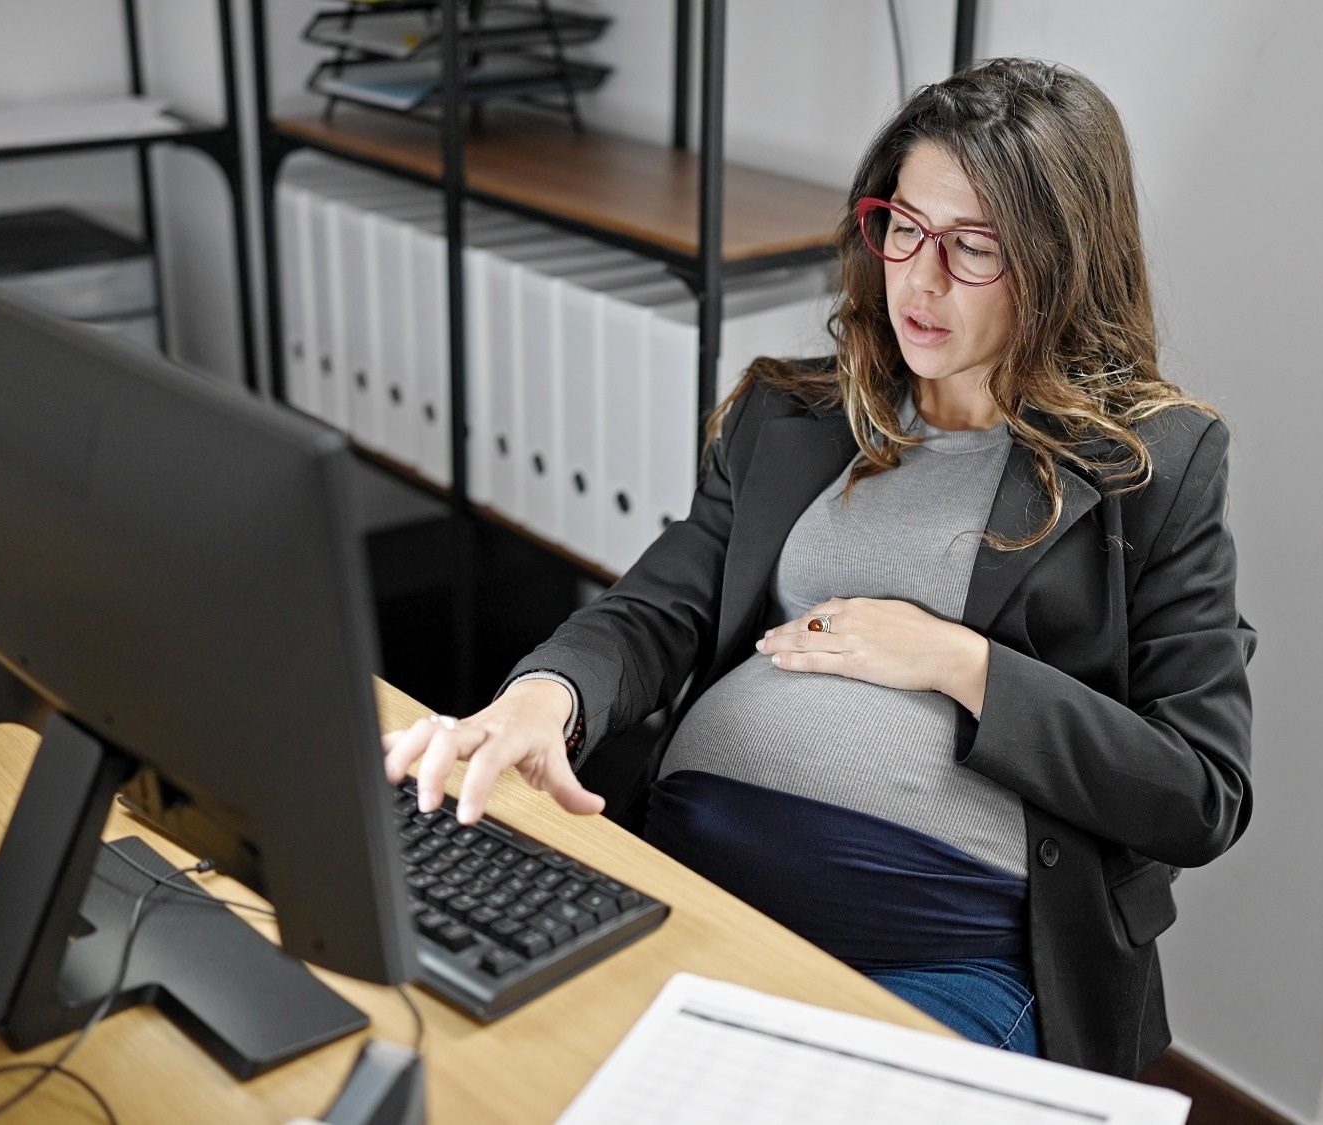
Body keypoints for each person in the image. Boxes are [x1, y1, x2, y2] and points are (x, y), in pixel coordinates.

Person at [381, 58, 1254, 1078]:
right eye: (903, 227)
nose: (917, 281)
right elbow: (656, 606)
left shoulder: (1152, 467)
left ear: (1061, 261)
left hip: (942, 954)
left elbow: (1199, 792)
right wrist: (544, 698)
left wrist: (957, 663)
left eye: (973, 249)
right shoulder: (788, 417)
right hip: (687, 891)